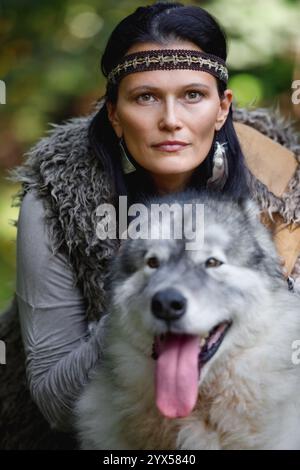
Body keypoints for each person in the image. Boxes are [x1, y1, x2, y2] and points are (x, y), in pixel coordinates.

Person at [1, 1, 299, 449]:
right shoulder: (56, 197)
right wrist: (141, 306)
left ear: (223, 108)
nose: (171, 120)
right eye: (146, 97)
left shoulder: (286, 190)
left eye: (193, 96)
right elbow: (56, 404)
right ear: (115, 114)